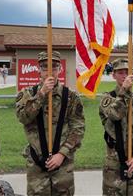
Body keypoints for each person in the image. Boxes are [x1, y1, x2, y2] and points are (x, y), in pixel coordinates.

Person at [15, 51, 85, 195]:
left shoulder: (70, 96)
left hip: (63, 164)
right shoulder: (27, 93)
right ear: (38, 70)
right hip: (36, 162)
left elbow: (78, 128)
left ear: (60, 69)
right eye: (45, 67)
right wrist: (41, 94)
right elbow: (23, 117)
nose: (49, 71)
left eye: (54, 67)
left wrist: (62, 153)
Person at [100, 58, 133, 195]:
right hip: (114, 165)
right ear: (113, 75)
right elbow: (114, 114)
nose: (124, 75)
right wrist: (123, 91)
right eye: (120, 72)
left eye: (127, 72)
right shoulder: (107, 99)